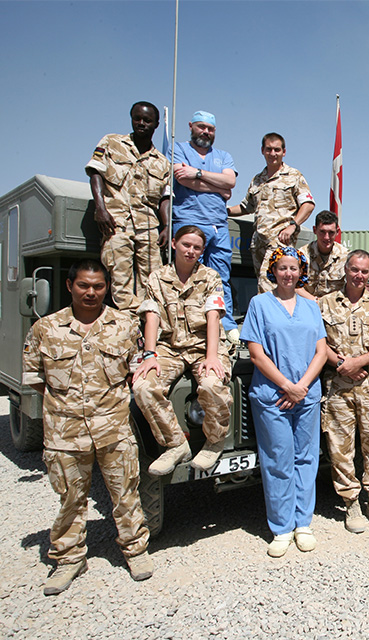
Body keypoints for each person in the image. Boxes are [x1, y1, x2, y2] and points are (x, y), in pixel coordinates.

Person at [22, 260, 153, 595]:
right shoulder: (46, 329)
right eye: (84, 286)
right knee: (71, 499)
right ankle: (68, 559)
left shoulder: (124, 325)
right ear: (70, 287)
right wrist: (70, 405)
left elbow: (136, 371)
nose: (91, 292)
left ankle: (135, 550)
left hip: (113, 428)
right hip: (65, 433)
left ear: (107, 287)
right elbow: (36, 378)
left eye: (98, 286)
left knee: (125, 494)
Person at [240, 247, 327, 558]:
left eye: (294, 268)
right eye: (283, 268)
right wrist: (286, 386)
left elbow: (321, 352)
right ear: (273, 271)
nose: (289, 274)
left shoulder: (311, 307)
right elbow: (256, 354)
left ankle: (303, 524)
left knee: (307, 460)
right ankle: (281, 527)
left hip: (306, 395)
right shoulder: (260, 305)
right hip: (273, 396)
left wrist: (301, 387)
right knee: (278, 460)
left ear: (301, 272)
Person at [132, 225, 233, 475]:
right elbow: (152, 315)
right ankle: (175, 444)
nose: (191, 251)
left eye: (197, 247)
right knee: (142, 386)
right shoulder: (157, 277)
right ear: (174, 243)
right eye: (186, 245)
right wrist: (149, 354)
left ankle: (215, 441)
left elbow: (213, 316)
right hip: (170, 347)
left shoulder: (210, 277)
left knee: (212, 384)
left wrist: (211, 357)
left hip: (203, 347)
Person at [318, 250, 369, 533]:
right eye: (354, 269)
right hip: (338, 386)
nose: (358, 275)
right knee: (340, 447)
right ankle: (351, 502)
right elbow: (318, 342)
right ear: (345, 269)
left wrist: (357, 363)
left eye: (364, 271)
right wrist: (342, 365)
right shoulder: (325, 304)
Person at [86, 101, 170, 313]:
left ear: (156, 124)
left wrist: (167, 225)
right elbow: (95, 173)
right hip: (116, 223)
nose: (141, 123)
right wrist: (100, 208)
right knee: (120, 279)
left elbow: (164, 198)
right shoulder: (112, 143)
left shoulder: (162, 162)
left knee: (153, 282)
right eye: (137, 119)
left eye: (147, 120)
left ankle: (148, 329)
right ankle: (129, 328)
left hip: (148, 228)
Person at [170, 110, 239, 342]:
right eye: (201, 127)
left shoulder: (223, 156)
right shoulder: (178, 149)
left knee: (220, 277)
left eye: (210, 129)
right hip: (188, 221)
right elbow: (182, 178)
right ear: (190, 126)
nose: (205, 132)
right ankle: (191, 324)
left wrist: (198, 173)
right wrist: (218, 186)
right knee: (188, 276)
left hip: (218, 224)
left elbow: (230, 182)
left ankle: (225, 324)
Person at [228, 132, 315, 294]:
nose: (273, 154)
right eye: (269, 149)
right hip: (258, 243)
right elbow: (246, 207)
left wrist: (293, 226)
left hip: (279, 240)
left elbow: (308, 204)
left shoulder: (293, 176)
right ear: (262, 150)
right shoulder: (257, 179)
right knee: (271, 288)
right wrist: (225, 210)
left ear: (284, 152)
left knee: (265, 282)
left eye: (277, 150)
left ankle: (267, 319)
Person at [298, 210, 348, 299]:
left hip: (335, 308)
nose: (326, 237)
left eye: (331, 232)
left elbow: (352, 288)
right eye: (322, 232)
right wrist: (315, 301)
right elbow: (294, 286)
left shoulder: (345, 257)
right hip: (307, 304)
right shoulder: (302, 255)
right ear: (314, 230)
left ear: (337, 231)